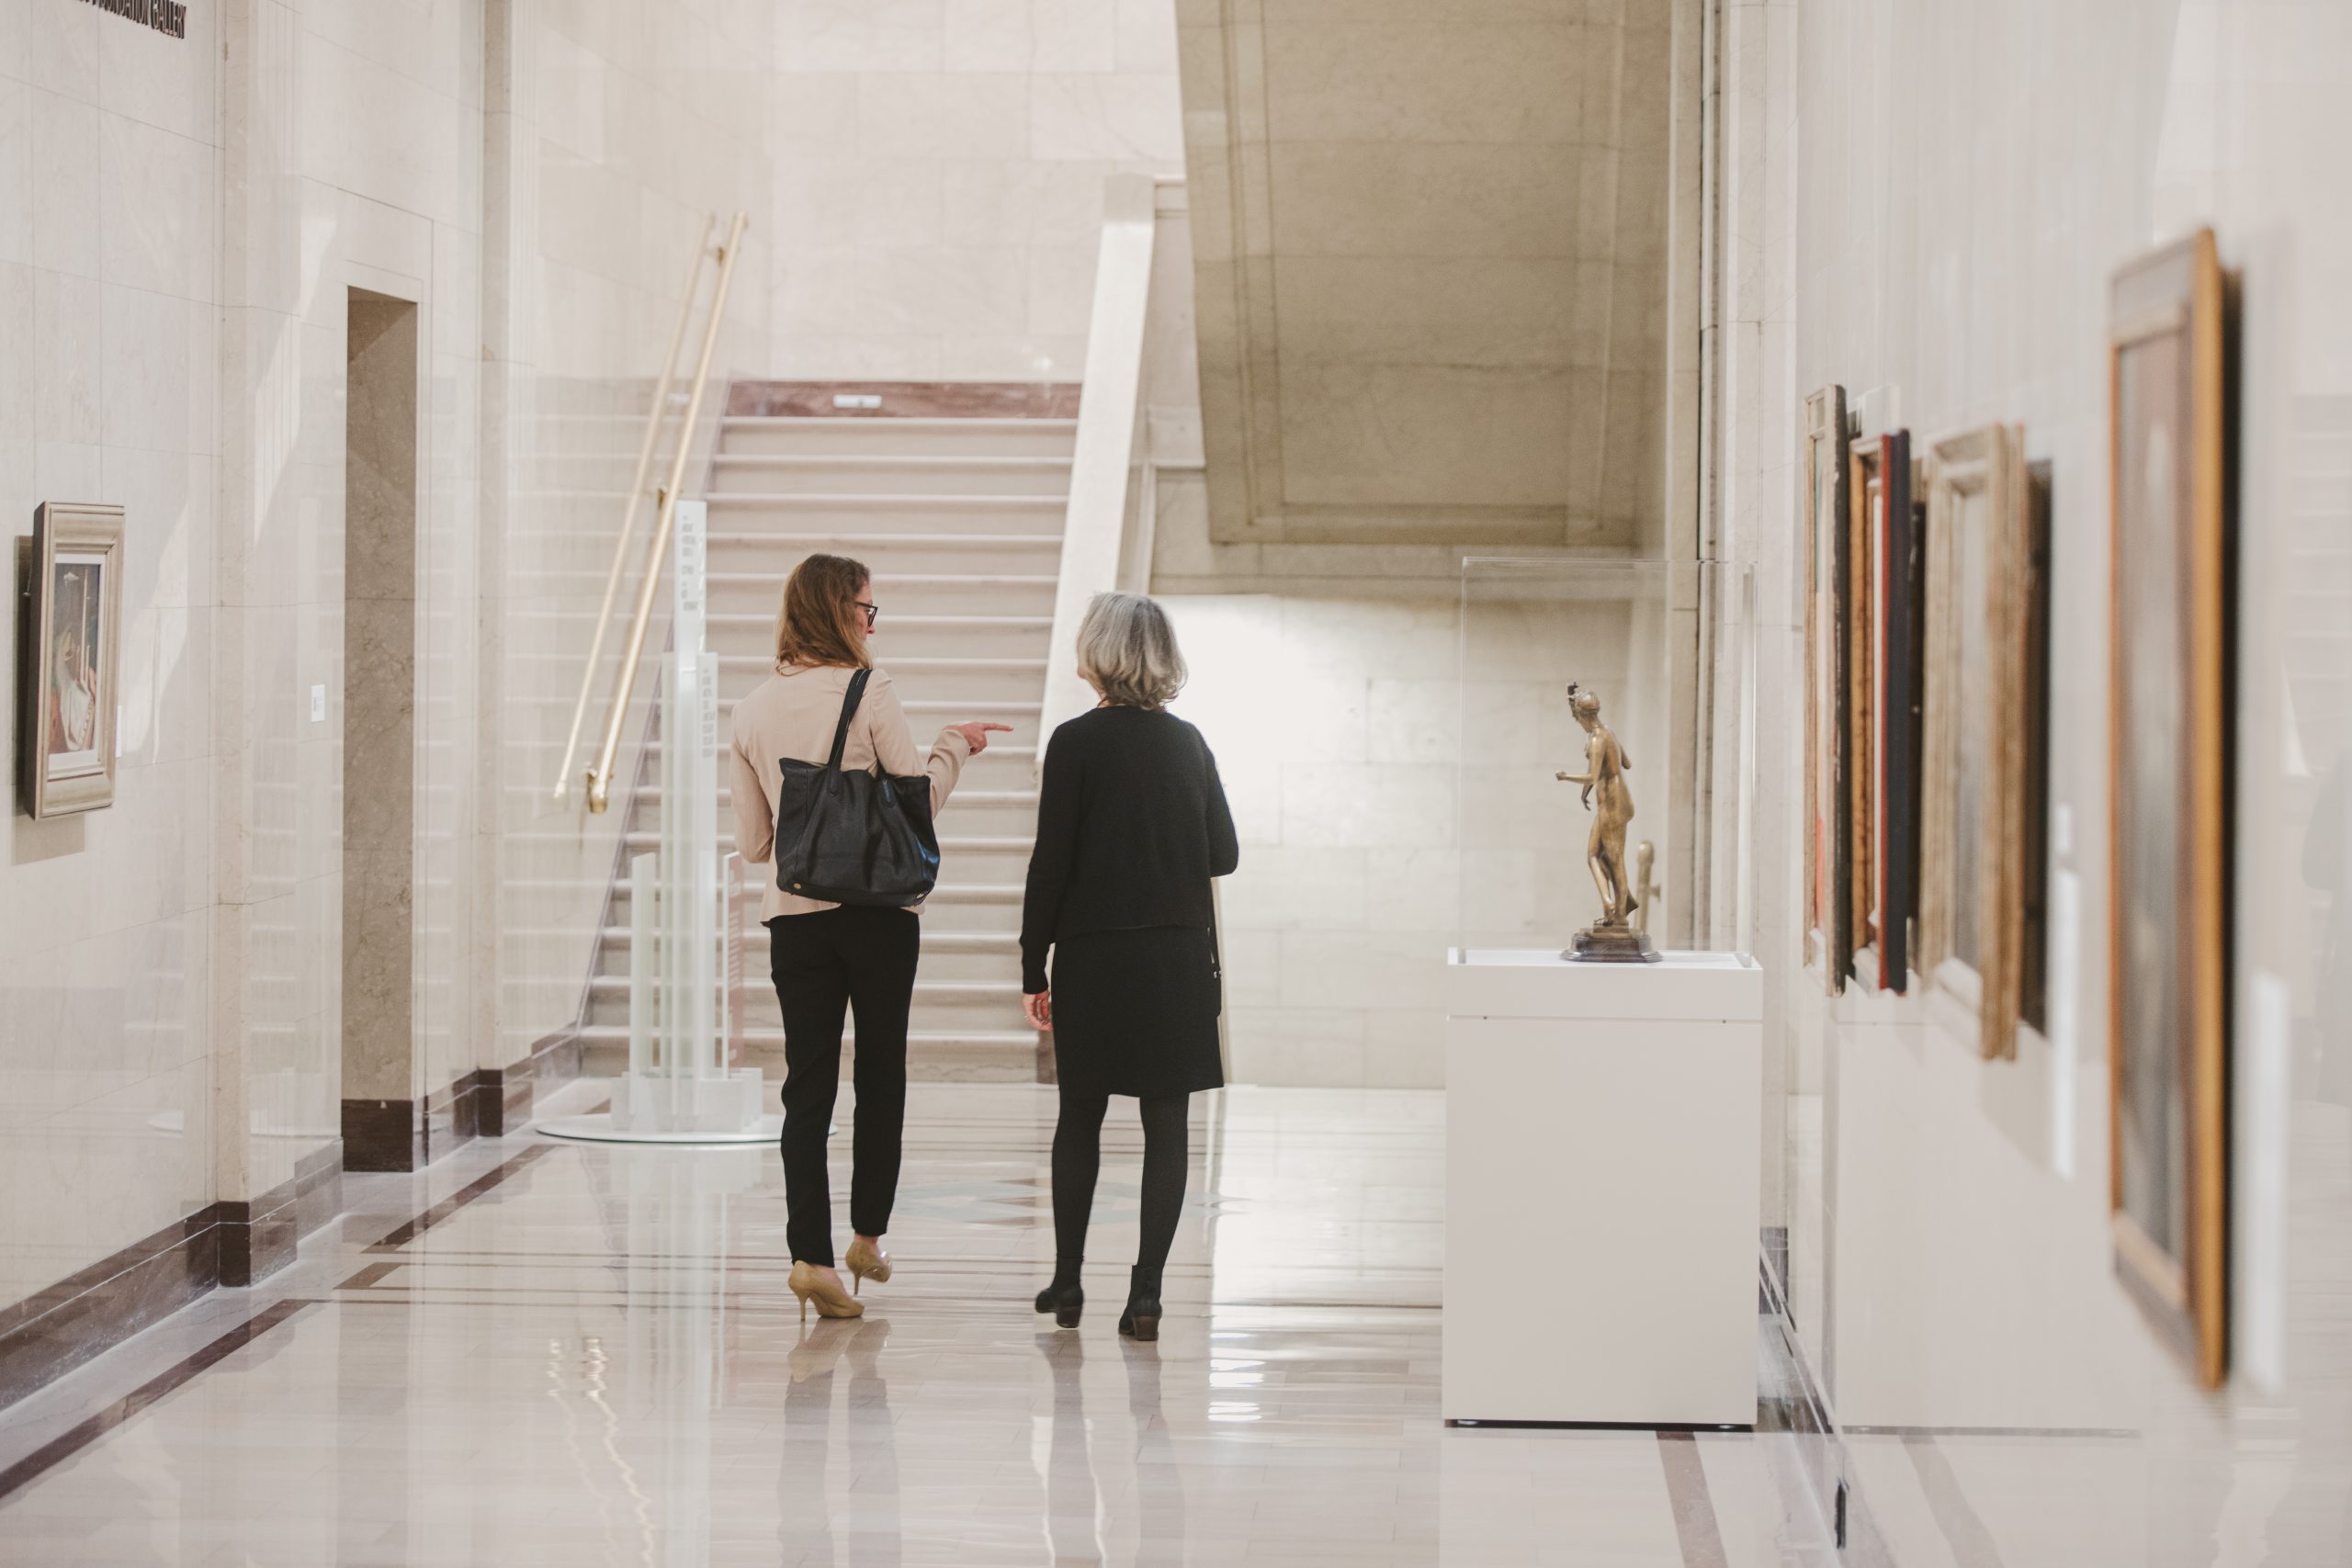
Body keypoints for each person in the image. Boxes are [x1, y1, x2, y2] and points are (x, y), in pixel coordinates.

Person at [729, 553, 1009, 1322]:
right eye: (866, 608)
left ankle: (808, 1257)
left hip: (796, 920)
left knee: (805, 1092)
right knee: (880, 1075)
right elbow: (915, 801)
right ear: (838, 612)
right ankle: (866, 1239)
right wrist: (956, 745)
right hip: (881, 917)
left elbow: (756, 845)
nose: (871, 621)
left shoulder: (751, 708)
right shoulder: (872, 689)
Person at [1023, 592, 1238, 1341]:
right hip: (1178, 956)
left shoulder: (1075, 743)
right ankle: (1146, 1295)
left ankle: (1069, 1279)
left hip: (1095, 955)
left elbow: (1050, 866)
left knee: (1079, 1114)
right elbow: (1226, 854)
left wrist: (1032, 965)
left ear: (1098, 651)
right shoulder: (1190, 744)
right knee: (1167, 1122)